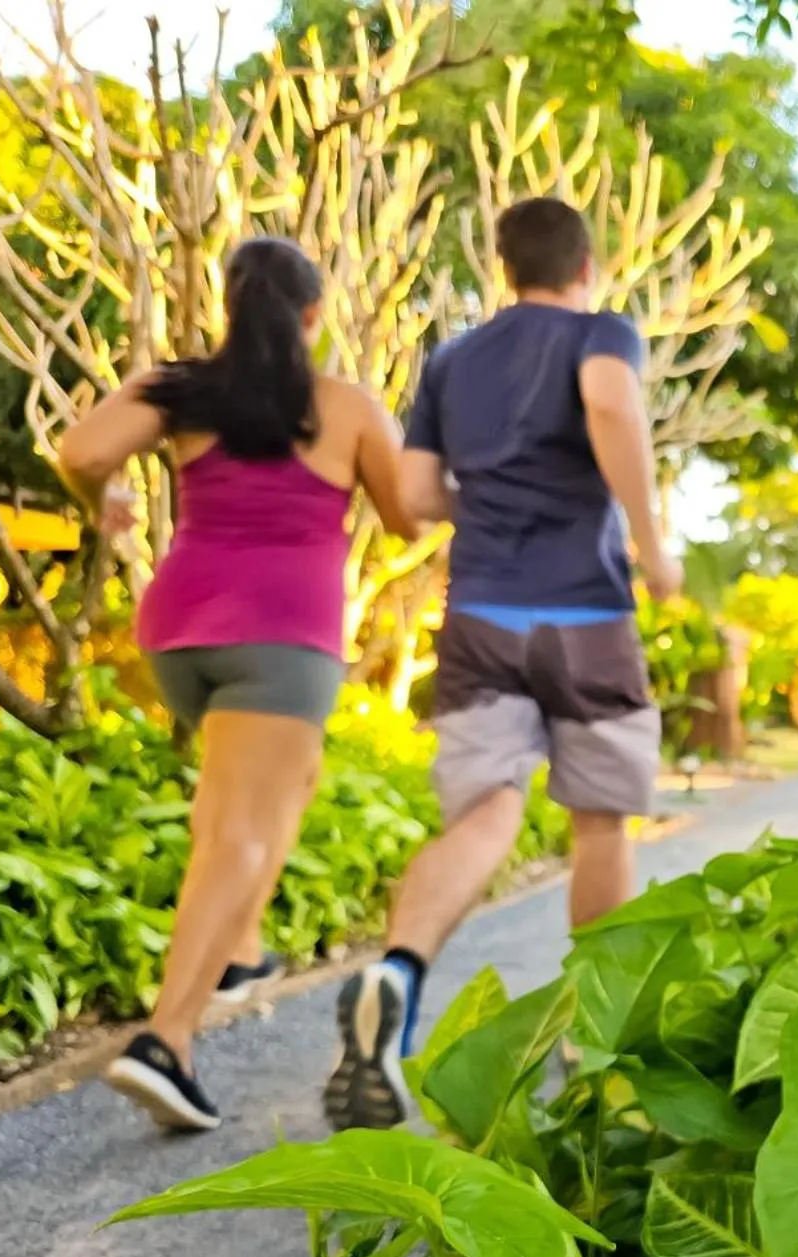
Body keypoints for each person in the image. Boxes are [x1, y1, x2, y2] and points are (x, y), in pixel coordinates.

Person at [321, 197, 681, 1132]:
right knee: (600, 827)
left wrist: (487, 499)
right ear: (586, 263)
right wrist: (650, 540)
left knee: (486, 814)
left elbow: (415, 491)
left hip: (480, 615)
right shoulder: (604, 332)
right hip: (586, 613)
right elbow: (609, 401)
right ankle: (591, 1037)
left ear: (503, 265)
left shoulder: (454, 359)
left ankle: (395, 977)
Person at [57, 237, 420, 1131]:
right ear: (312, 316)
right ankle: (167, 1042)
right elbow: (409, 517)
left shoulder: (181, 390)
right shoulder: (345, 405)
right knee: (243, 837)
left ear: (232, 306)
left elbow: (79, 451)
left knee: (270, 792)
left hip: (182, 632)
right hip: (282, 638)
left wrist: (100, 503)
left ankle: (241, 950)